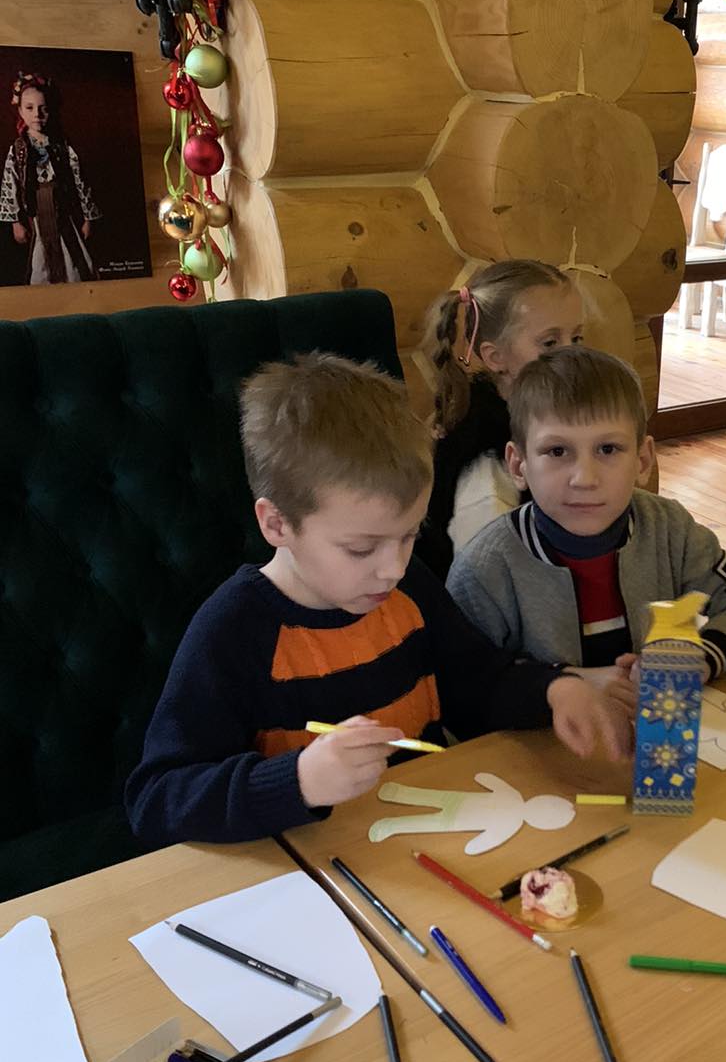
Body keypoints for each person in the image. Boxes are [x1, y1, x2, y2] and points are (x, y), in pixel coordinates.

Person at [125, 353, 627, 849]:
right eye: (362, 548)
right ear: (276, 524)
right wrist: (297, 781)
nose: (393, 568)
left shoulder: (407, 588)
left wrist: (553, 691)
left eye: (410, 535)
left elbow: (477, 682)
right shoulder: (234, 629)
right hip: (312, 867)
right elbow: (157, 799)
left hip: (424, 842)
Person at [445, 345, 726, 691]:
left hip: (654, 721)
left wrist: (703, 655)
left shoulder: (670, 530)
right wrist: (565, 683)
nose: (585, 478)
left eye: (608, 449)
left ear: (642, 461)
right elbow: (463, 681)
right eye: (557, 451)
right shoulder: (484, 571)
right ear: (518, 466)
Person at [417, 260, 585, 580]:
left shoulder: (546, 421)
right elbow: (484, 580)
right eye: (550, 342)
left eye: (576, 338)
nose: (571, 355)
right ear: (496, 357)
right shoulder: (487, 463)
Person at [0, 72, 100, 284]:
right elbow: (10, 186)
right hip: (36, 217)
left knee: (73, 262)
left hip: (63, 214)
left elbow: (80, 181)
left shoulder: (61, 145)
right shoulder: (18, 150)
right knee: (40, 263)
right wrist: (16, 222)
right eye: (29, 108)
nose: (37, 114)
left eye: (43, 108)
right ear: (20, 111)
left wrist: (87, 219)